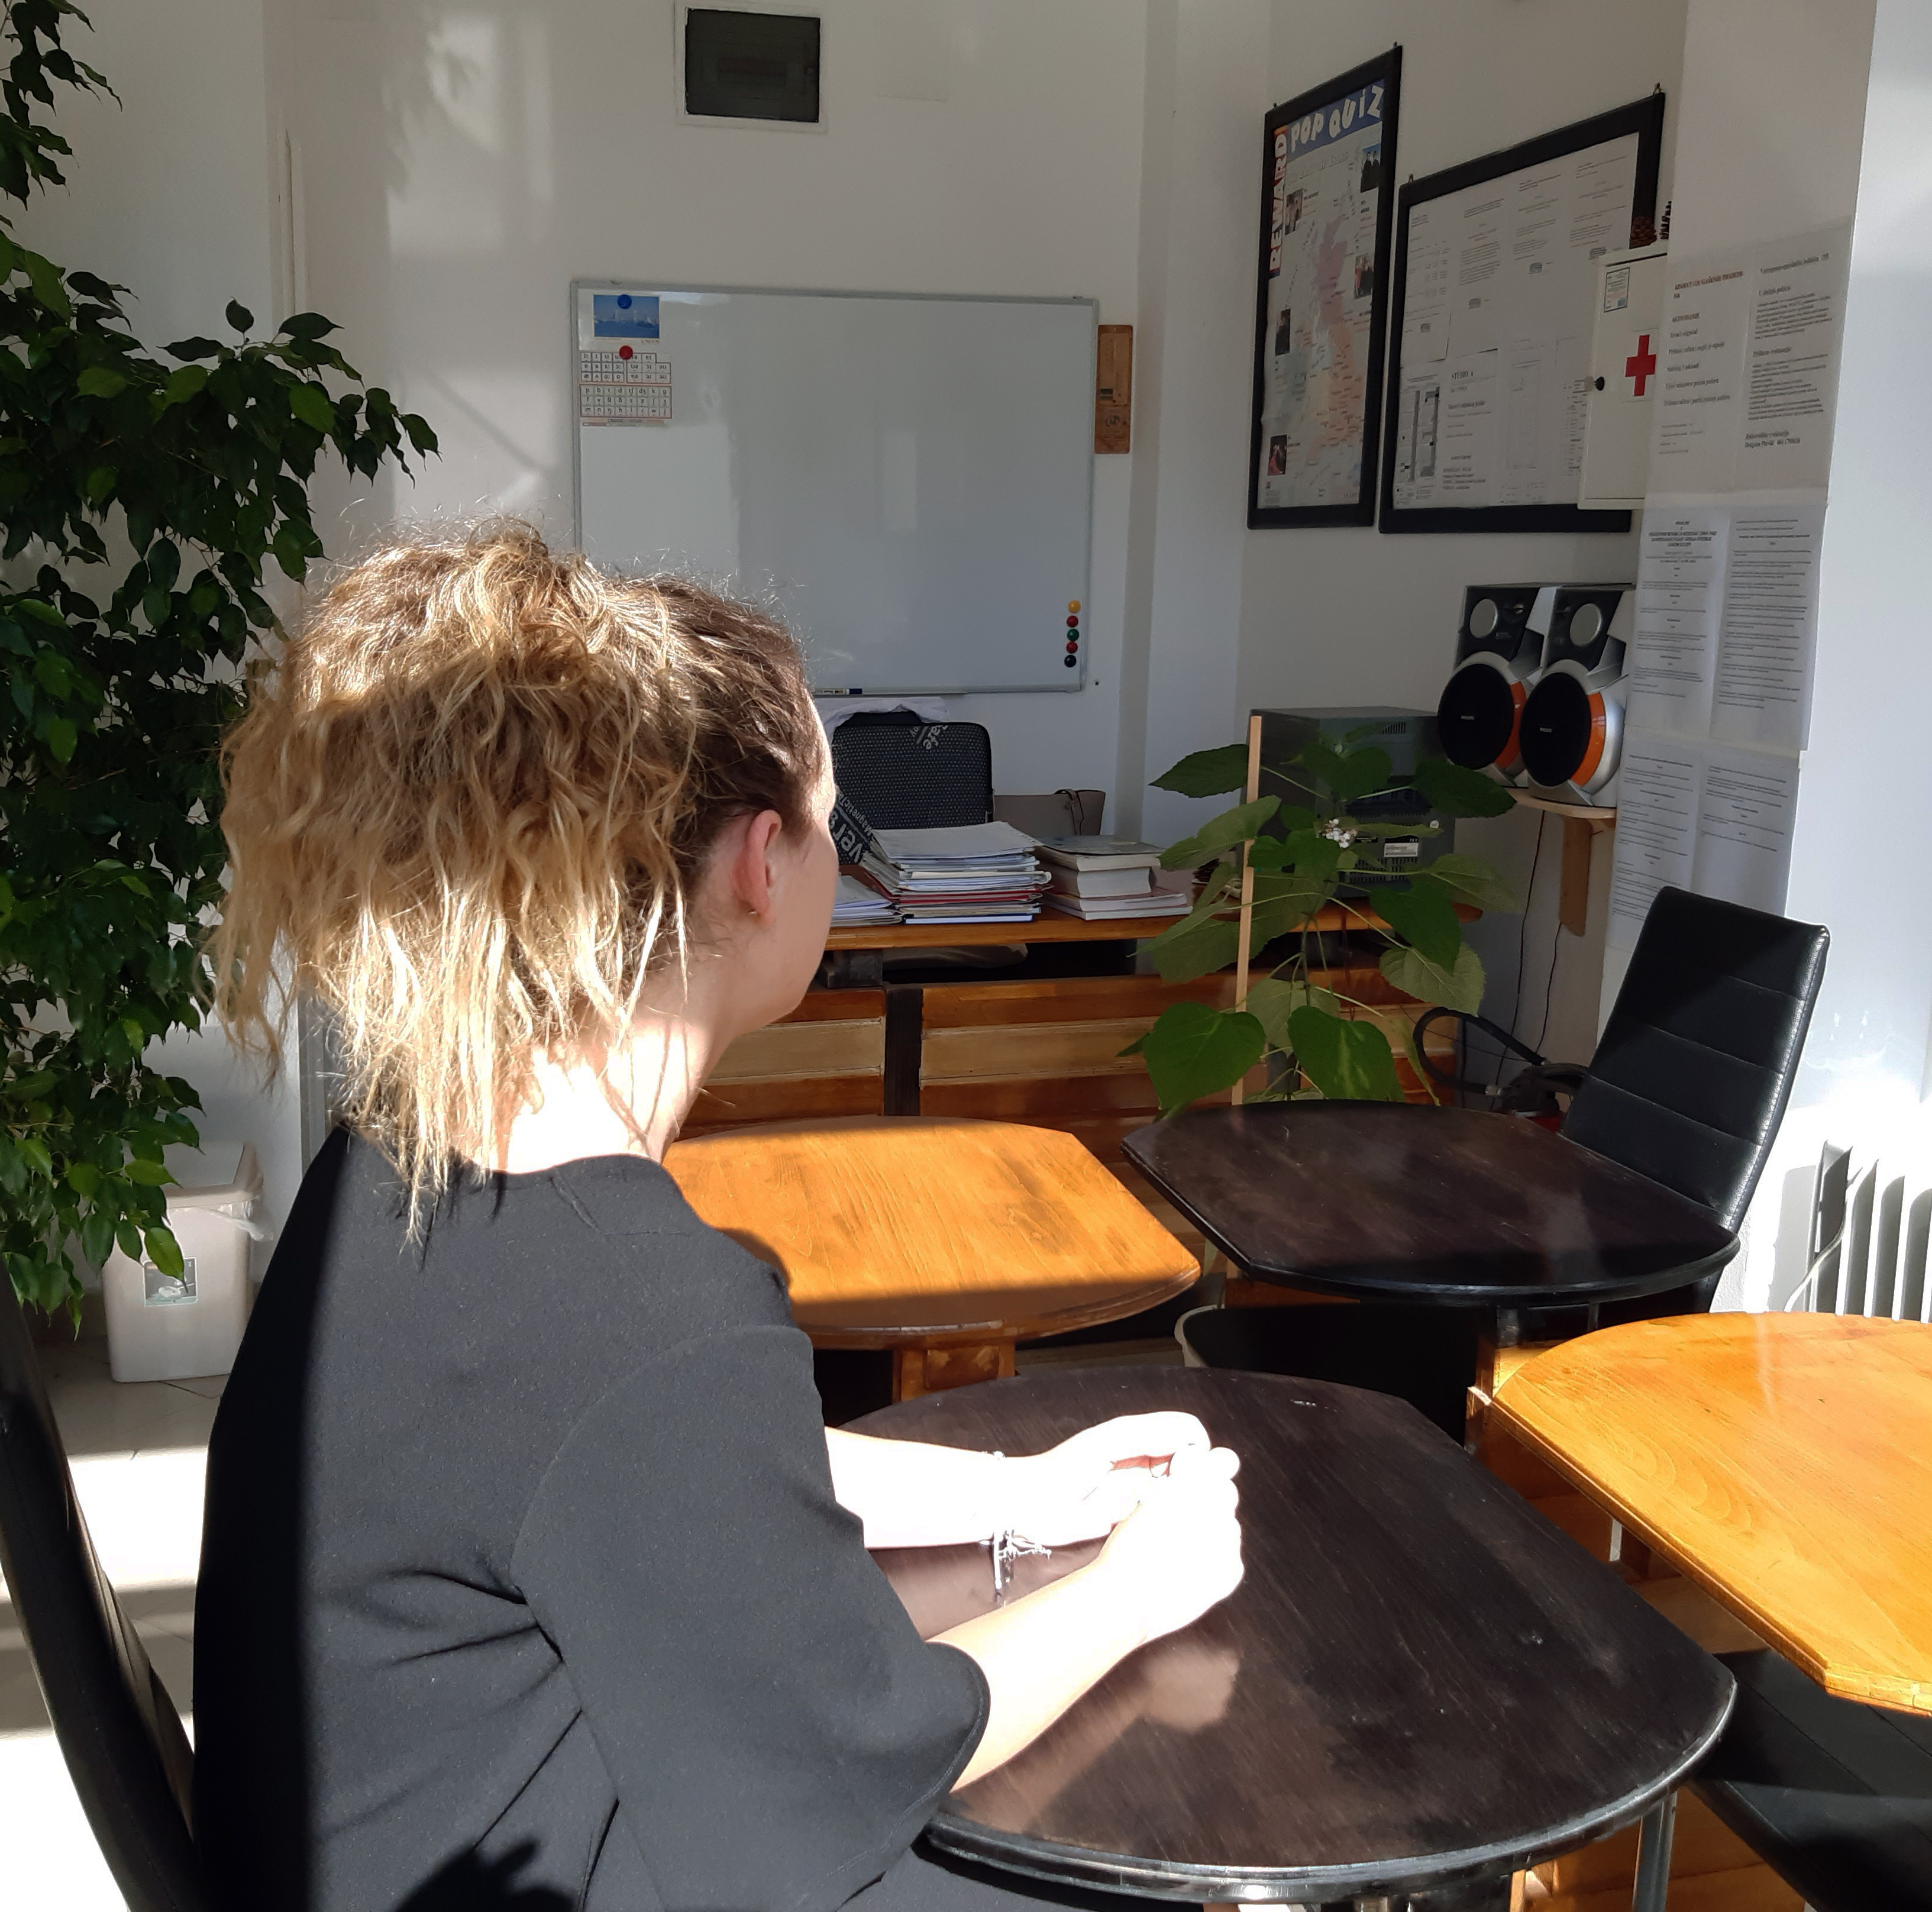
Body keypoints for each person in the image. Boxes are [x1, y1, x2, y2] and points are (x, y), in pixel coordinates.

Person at [195, 522, 1245, 1912]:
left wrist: (1024, 1493)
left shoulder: (398, 1150)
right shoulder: (641, 1304)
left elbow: (661, 1471)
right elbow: (842, 1773)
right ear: (762, 861)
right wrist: (1136, 1585)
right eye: (831, 817)